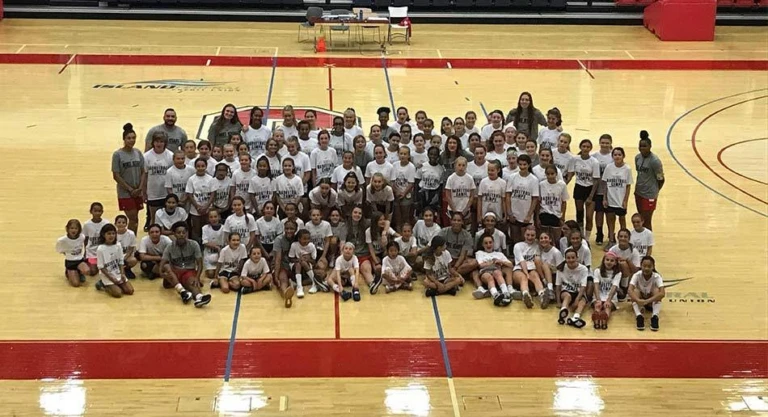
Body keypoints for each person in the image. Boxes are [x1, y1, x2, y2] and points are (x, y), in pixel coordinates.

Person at [160, 221, 212, 307]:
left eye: (183, 232)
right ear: (174, 234)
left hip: (188, 271)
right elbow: (162, 264)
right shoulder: (169, 246)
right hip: (174, 272)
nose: (181, 235)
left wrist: (197, 277)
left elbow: (200, 263)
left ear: (187, 233)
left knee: (193, 283)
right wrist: (163, 274)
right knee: (166, 266)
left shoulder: (194, 244)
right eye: (178, 232)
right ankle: (182, 291)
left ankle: (199, 298)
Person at [112, 123, 146, 234]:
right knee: (132, 218)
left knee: (135, 219)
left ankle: (131, 241)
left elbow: (143, 172)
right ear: (124, 139)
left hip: (138, 191)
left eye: (133, 138)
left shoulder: (138, 152)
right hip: (125, 192)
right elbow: (116, 175)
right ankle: (129, 242)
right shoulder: (117, 155)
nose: (131, 140)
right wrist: (130, 189)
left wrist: (140, 188)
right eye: (129, 138)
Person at [601, 147, 633, 250]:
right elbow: (605, 183)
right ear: (612, 156)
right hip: (610, 199)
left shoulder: (627, 169)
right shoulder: (609, 167)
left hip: (620, 200)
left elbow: (628, 186)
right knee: (610, 220)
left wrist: (625, 201)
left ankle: (624, 241)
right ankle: (611, 239)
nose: (617, 156)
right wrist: (604, 198)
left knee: (622, 220)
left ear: (623, 156)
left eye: (619, 154)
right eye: (615, 155)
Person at [569, 139, 601, 240]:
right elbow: (570, 173)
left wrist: (591, 196)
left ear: (590, 148)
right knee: (579, 213)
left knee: (589, 216)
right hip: (579, 187)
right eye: (584, 146)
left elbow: (596, 180)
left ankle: (587, 238)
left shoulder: (594, 162)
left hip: (590, 189)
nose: (585, 148)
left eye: (588, 147)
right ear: (580, 147)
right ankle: (580, 235)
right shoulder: (575, 159)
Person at [143, 131, 174, 230]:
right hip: (153, 192)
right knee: (154, 218)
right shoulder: (146, 156)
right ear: (153, 143)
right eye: (157, 141)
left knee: (167, 219)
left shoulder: (170, 155)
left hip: (166, 192)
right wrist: (144, 192)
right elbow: (145, 175)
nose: (159, 143)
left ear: (165, 143)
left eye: (161, 141)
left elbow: (173, 175)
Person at [505, 154, 539, 245]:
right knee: (515, 240)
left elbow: (535, 199)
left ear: (529, 165)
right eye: (520, 164)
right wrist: (509, 213)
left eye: (524, 164)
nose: (522, 167)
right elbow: (508, 195)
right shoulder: (512, 177)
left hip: (526, 216)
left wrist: (529, 215)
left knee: (525, 240)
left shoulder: (534, 180)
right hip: (514, 214)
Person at [634, 131, 665, 231]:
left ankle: (648, 243)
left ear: (650, 146)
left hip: (649, 195)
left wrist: (655, 190)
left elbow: (661, 179)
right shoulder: (637, 158)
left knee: (647, 221)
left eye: (645, 146)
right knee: (641, 219)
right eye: (640, 146)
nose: (642, 148)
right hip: (638, 192)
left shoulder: (655, 161)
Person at [511, 226, 548, 309]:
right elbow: (521, 261)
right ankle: (525, 294)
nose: (530, 237)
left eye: (532, 235)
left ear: (535, 236)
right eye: (528, 235)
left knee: (535, 275)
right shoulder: (518, 246)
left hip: (532, 269)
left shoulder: (538, 245)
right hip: (519, 269)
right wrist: (526, 273)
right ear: (524, 235)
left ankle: (542, 295)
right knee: (523, 278)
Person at [95, 224, 135, 298]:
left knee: (130, 291)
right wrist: (112, 278)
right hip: (108, 274)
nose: (111, 236)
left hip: (117, 272)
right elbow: (101, 267)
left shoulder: (118, 245)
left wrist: (122, 274)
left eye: (113, 233)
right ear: (104, 235)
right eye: (109, 233)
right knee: (118, 294)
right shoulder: (100, 249)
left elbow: (121, 261)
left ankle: (116, 285)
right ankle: (103, 285)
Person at [364, 211, 399, 294]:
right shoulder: (368, 231)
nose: (382, 221)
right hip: (375, 254)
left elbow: (398, 236)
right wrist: (376, 262)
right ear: (375, 221)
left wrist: (386, 235)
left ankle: (392, 279)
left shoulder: (386, 229)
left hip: (385, 253)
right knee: (378, 268)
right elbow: (371, 249)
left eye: (383, 219)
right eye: (380, 220)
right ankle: (376, 280)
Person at [437, 212, 478, 280]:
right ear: (451, 221)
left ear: (462, 222)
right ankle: (455, 275)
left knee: (474, 262)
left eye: (459, 220)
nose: (456, 222)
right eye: (454, 220)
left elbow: (463, 255)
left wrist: (455, 267)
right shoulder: (443, 232)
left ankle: (449, 275)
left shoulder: (467, 235)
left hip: (459, 261)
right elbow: (438, 249)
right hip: (445, 259)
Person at [475, 235, 513, 306]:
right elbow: (481, 265)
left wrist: (501, 261)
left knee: (497, 272)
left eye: (490, 242)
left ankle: (506, 293)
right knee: (489, 277)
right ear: (483, 245)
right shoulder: (479, 253)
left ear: (493, 243)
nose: (488, 245)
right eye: (486, 243)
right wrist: (492, 262)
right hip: (485, 272)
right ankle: (495, 295)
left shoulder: (499, 254)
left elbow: (511, 265)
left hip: (496, 271)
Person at [629, 256, 665, 331]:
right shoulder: (636, 275)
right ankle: (639, 316)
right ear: (641, 266)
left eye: (649, 266)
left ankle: (655, 317)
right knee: (635, 291)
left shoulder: (657, 276)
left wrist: (647, 301)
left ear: (653, 267)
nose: (646, 268)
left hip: (650, 300)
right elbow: (629, 290)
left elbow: (662, 293)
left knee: (656, 291)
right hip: (641, 299)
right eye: (644, 266)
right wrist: (638, 300)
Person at [556, 248, 588, 328]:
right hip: (566, 291)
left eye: (573, 257)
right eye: (568, 258)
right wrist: (558, 301)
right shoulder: (561, 268)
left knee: (582, 302)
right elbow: (558, 286)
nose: (571, 260)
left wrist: (577, 300)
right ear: (565, 259)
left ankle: (575, 318)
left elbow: (583, 286)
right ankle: (563, 311)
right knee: (567, 296)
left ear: (577, 258)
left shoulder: (583, 269)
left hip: (578, 293)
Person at [185, 158, 215, 243]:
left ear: (206, 166)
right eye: (198, 166)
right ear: (195, 167)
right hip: (195, 210)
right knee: (196, 229)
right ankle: (197, 246)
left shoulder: (210, 178)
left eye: (202, 166)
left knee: (207, 228)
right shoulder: (191, 179)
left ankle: (206, 245)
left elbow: (213, 193)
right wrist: (197, 206)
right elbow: (190, 194)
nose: (200, 168)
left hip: (208, 209)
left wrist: (206, 206)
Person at [538, 165, 569, 246]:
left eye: (552, 174)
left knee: (556, 239)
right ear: (545, 174)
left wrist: (562, 217)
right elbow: (539, 201)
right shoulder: (541, 184)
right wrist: (537, 217)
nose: (550, 176)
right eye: (548, 174)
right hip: (544, 214)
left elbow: (564, 202)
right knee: (544, 238)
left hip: (556, 215)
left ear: (556, 174)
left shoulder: (562, 185)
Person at [592, 134, 614, 245]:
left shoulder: (613, 156)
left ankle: (611, 234)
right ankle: (599, 233)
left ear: (611, 144)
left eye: (607, 143)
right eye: (603, 142)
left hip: (611, 191)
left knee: (610, 214)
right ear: (599, 143)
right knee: (599, 212)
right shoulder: (594, 155)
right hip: (598, 189)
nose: (605, 145)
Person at [56, 219, 91, 287]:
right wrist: (68, 254)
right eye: (71, 228)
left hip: (80, 260)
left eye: (76, 228)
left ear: (79, 229)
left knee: (87, 271)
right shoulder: (62, 240)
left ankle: (79, 272)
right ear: (67, 229)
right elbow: (59, 250)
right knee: (76, 284)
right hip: (70, 262)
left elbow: (83, 246)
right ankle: (68, 272)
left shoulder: (82, 237)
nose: (73, 230)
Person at [272, 220, 298, 308]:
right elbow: (278, 259)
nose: (289, 231)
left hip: (295, 265)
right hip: (283, 265)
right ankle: (286, 294)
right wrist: (276, 276)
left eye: (291, 229)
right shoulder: (279, 240)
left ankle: (294, 284)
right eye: (287, 228)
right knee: (282, 279)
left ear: (296, 229)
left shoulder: (299, 238)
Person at [591, 252, 621, 330]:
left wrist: (608, 300)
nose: (609, 262)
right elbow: (596, 286)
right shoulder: (597, 271)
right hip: (599, 296)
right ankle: (596, 321)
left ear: (615, 263)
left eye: (612, 261)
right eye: (607, 260)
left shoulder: (618, 273)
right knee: (597, 306)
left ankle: (604, 321)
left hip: (611, 298)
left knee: (607, 307)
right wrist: (598, 299)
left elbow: (614, 287)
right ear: (603, 261)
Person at [609, 228, 642, 298]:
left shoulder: (634, 251)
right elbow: (607, 265)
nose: (623, 238)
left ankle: (625, 288)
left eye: (625, 237)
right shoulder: (612, 249)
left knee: (623, 264)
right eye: (621, 236)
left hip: (630, 276)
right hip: (615, 274)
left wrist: (628, 260)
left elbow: (636, 271)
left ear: (629, 238)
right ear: (617, 238)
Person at [289, 229, 318, 298]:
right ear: (299, 239)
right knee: (300, 263)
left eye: (308, 239)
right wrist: (298, 260)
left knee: (304, 262)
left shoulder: (311, 246)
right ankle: (300, 287)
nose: (306, 241)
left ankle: (314, 283)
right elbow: (291, 258)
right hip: (295, 266)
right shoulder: (294, 245)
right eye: (304, 239)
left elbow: (314, 261)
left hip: (307, 266)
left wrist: (308, 259)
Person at [83, 202, 109, 276]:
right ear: (91, 211)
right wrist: (85, 252)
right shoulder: (87, 224)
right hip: (92, 253)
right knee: (93, 272)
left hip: (103, 252)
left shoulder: (106, 223)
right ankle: (86, 263)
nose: (97, 213)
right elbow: (86, 239)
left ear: (102, 212)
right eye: (95, 211)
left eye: (99, 211)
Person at [201, 210, 225, 279]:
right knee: (211, 274)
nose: (213, 219)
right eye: (211, 217)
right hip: (209, 254)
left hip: (221, 255)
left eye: (215, 216)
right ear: (208, 219)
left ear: (219, 217)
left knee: (221, 274)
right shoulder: (205, 228)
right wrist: (216, 247)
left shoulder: (224, 228)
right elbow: (205, 242)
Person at [115, 215, 138, 279]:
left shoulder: (131, 234)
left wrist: (124, 259)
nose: (121, 224)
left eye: (123, 222)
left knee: (133, 260)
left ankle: (127, 269)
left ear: (126, 224)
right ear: (115, 224)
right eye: (119, 222)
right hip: (115, 256)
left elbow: (131, 249)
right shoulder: (113, 233)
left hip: (126, 256)